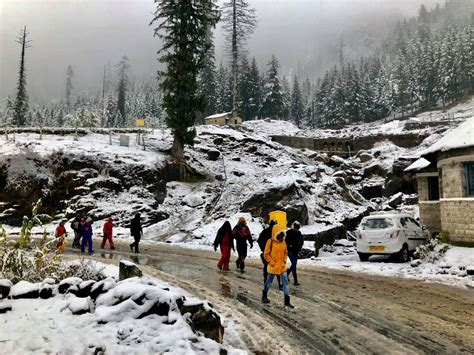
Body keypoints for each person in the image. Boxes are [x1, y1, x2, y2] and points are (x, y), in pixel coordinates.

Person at [262, 230, 294, 308]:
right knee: (269, 282)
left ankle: (287, 301)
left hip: (282, 267)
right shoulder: (270, 241)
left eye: (283, 234)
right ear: (276, 234)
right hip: (273, 267)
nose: (282, 236)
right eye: (280, 234)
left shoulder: (283, 242)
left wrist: (284, 261)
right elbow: (266, 254)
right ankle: (264, 294)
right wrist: (272, 263)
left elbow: (285, 252)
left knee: (285, 283)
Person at [257, 220, 282, 289]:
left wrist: (263, 248)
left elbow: (259, 240)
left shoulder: (265, 231)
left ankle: (266, 280)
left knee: (266, 266)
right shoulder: (277, 233)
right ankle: (280, 283)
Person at [286, 221, 304, 286]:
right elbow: (286, 242)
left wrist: (299, 247)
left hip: (296, 251)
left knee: (294, 265)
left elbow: (302, 242)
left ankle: (287, 273)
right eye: (296, 228)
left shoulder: (299, 233)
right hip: (290, 251)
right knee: (294, 264)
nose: (297, 229)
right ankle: (295, 280)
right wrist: (290, 246)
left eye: (297, 228)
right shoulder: (289, 233)